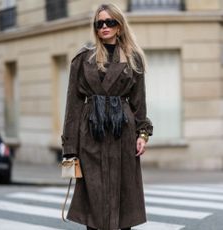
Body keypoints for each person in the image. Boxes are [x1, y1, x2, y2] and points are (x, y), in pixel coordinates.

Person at [61, 3, 153, 230]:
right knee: (93, 197)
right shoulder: (83, 59)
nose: (104, 27)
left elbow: (138, 102)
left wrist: (142, 134)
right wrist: (70, 149)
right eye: (99, 23)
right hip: (91, 134)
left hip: (123, 133)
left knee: (124, 194)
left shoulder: (133, 59)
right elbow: (72, 105)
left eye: (110, 22)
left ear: (119, 26)